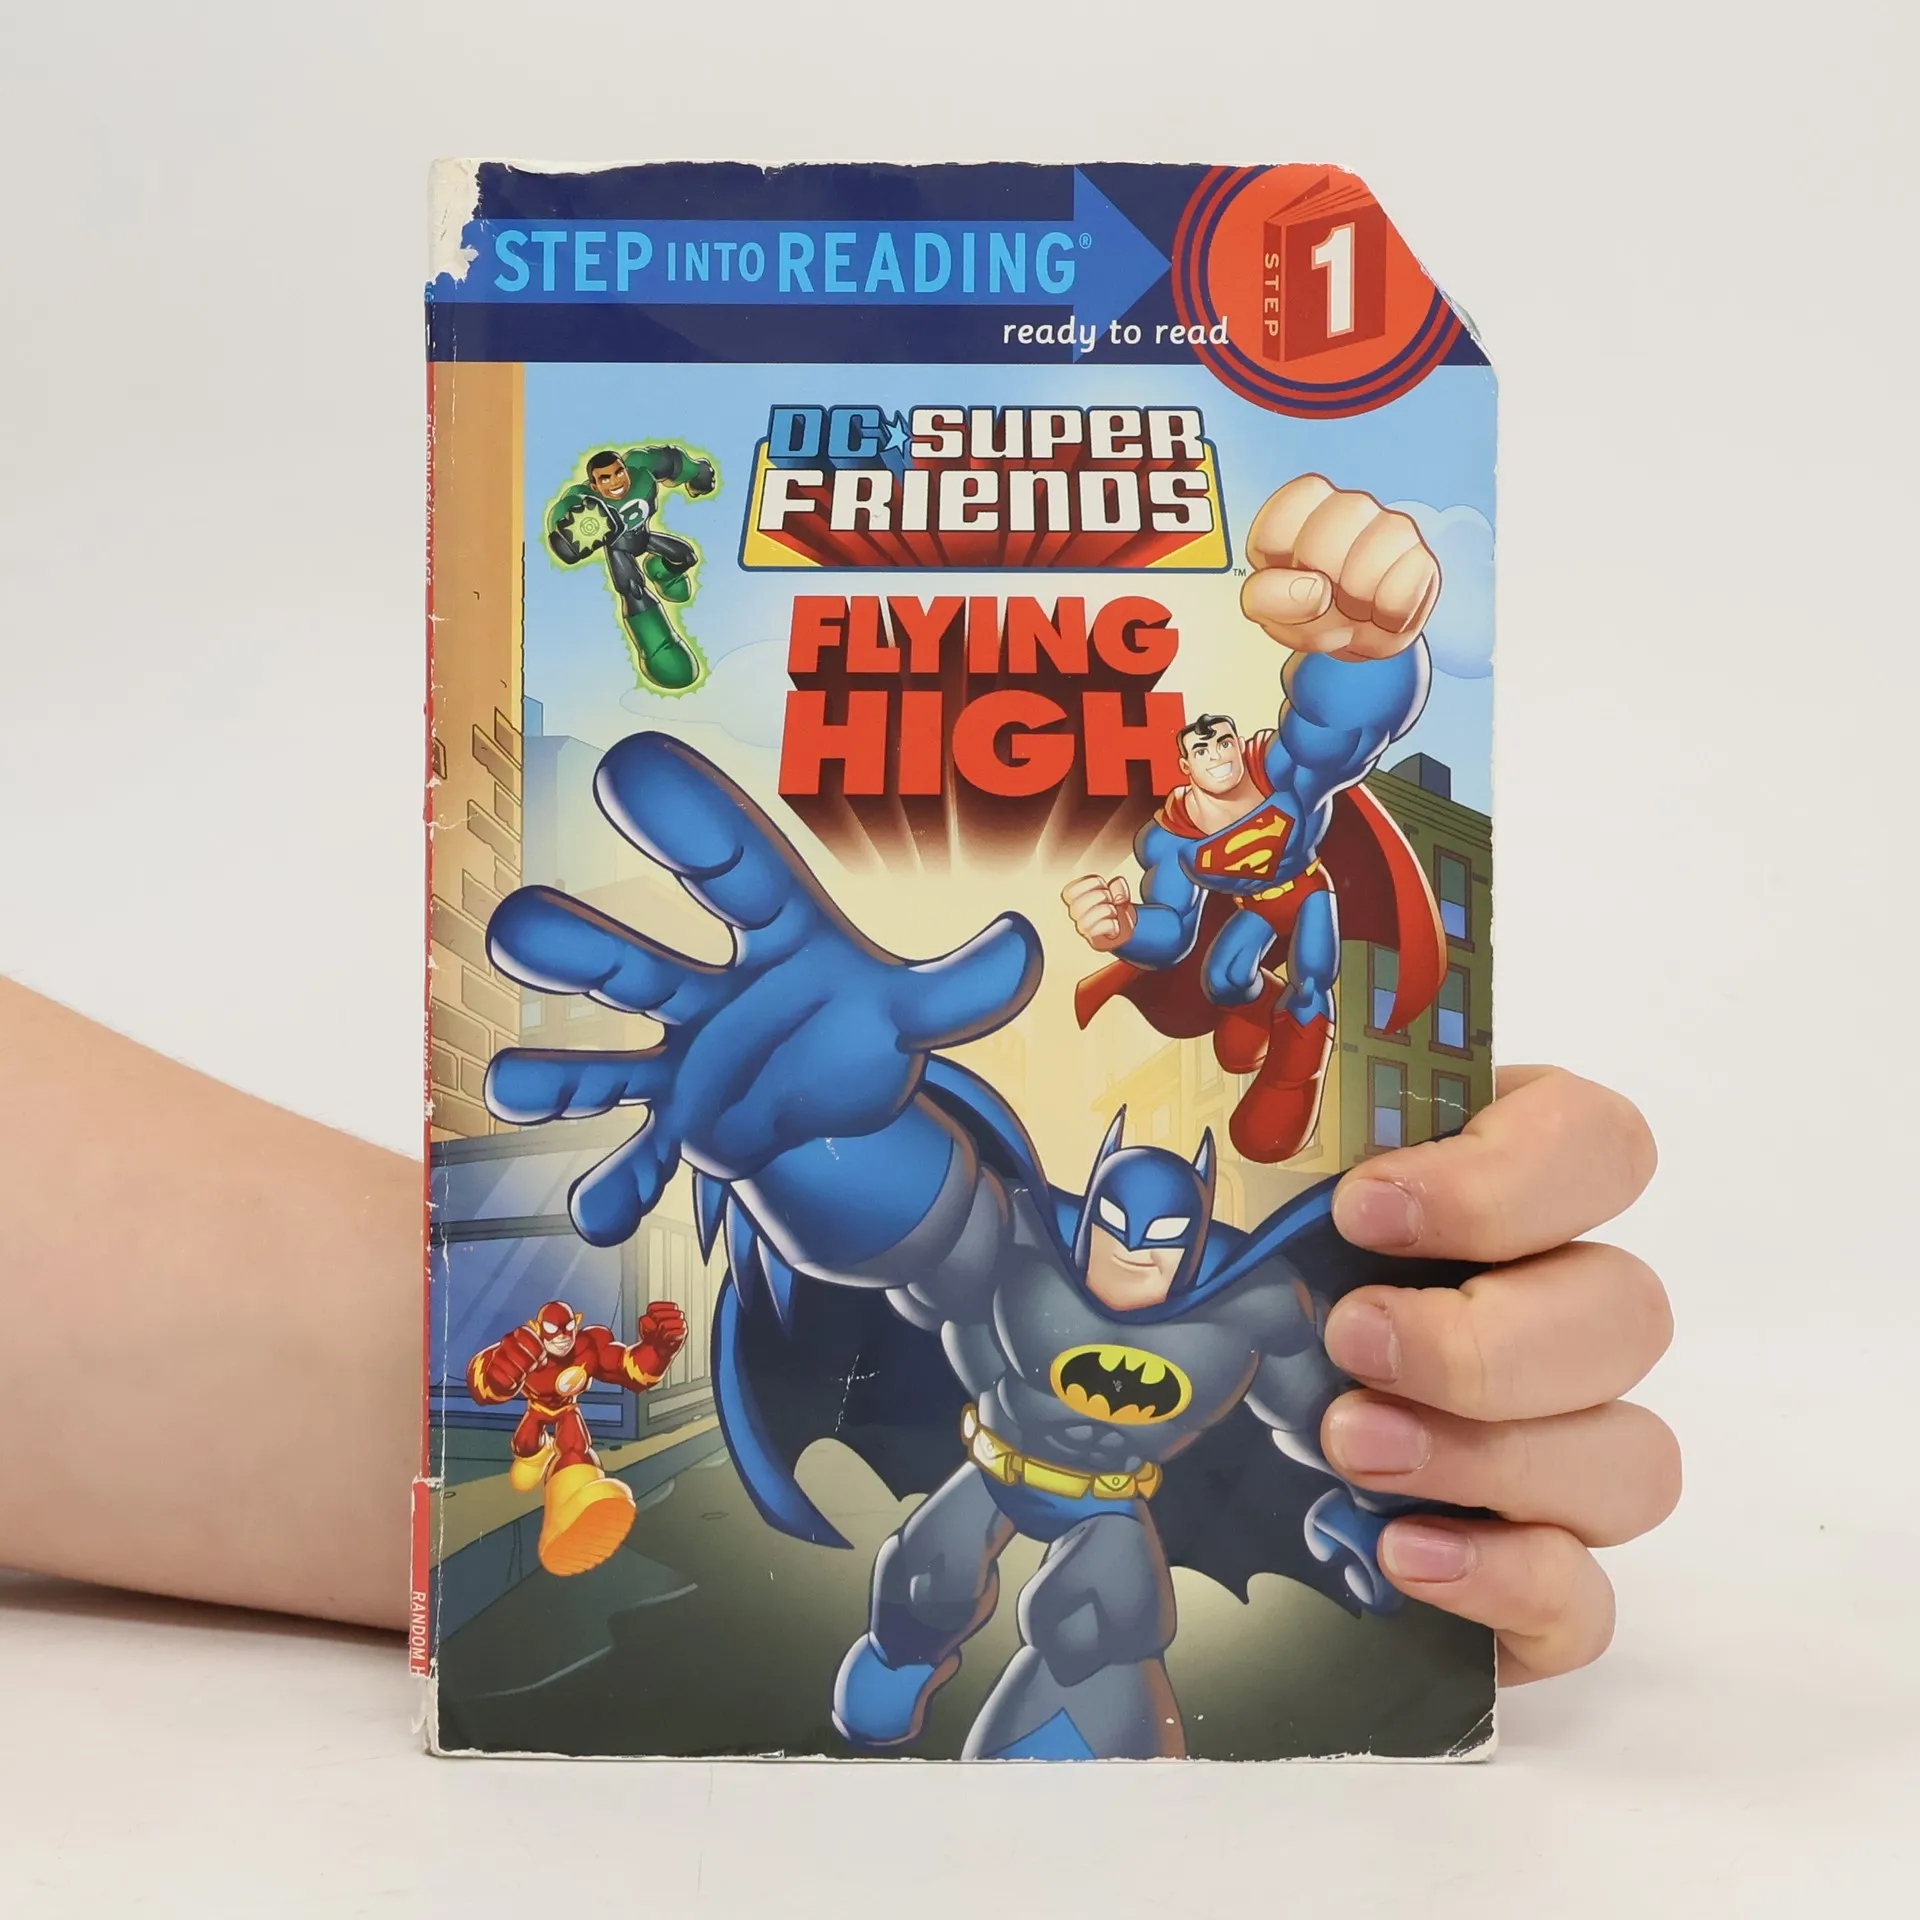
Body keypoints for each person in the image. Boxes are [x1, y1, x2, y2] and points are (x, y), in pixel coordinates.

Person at [0, 975, 1678, 1688]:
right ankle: (900, 1667)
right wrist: (796, 1133)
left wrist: (1394, 1467)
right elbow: (920, 1225)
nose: (1138, 1260)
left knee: (1099, 1630)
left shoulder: (1246, 1312)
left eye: (1169, 1243)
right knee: (923, 1595)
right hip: (988, 1463)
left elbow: (1316, 1396)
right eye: (1120, 1227)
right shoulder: (1021, 1267)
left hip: (1115, 1508)